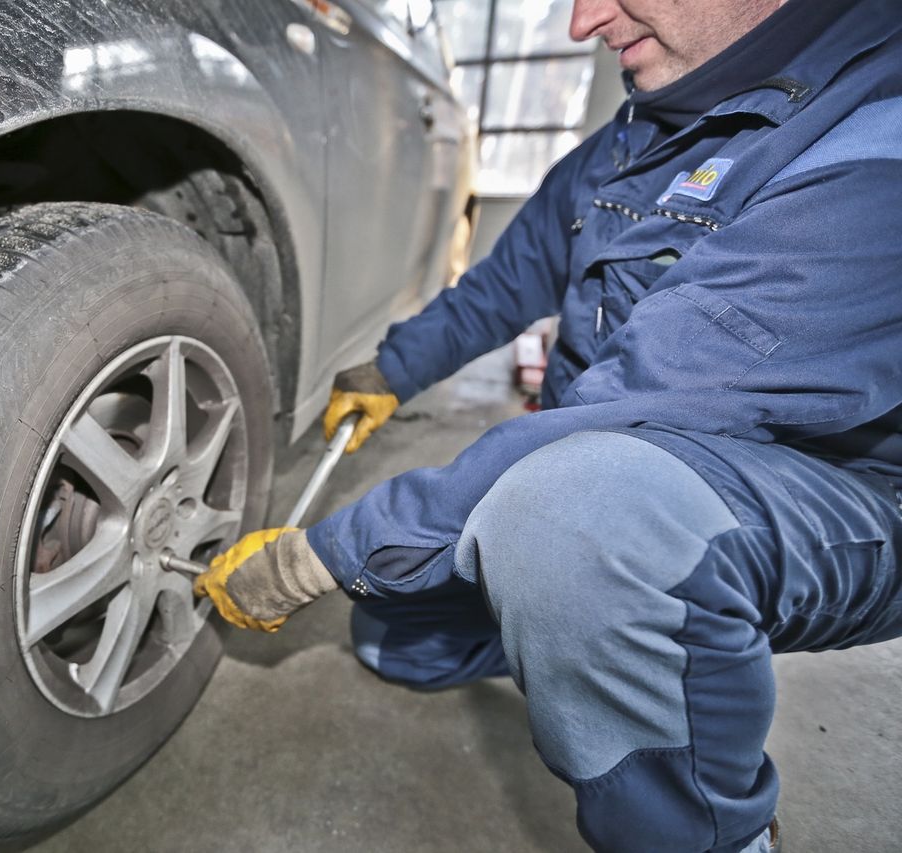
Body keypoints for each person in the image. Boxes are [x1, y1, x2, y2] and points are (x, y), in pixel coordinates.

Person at [192, 0, 902, 850]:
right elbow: (501, 286)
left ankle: (714, 828)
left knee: (574, 524)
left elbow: (647, 396)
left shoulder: (873, 144)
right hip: (624, 446)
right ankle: (574, 622)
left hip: (840, 497)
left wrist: (318, 554)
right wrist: (391, 369)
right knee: (392, 640)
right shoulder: (625, 145)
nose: (581, 22)